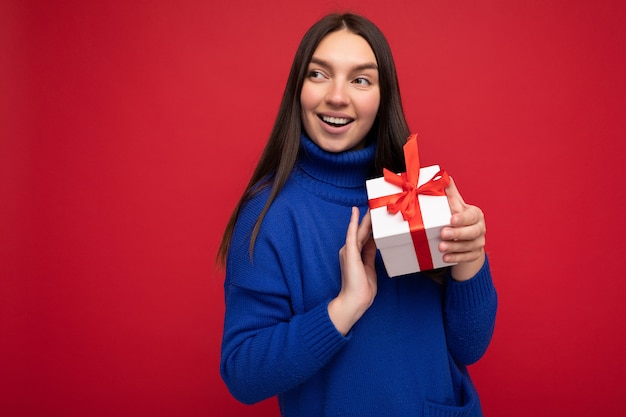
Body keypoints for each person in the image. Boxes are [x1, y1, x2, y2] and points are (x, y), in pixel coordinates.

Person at [217, 12, 497, 417]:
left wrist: (471, 260)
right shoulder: (270, 213)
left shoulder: (414, 194)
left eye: (360, 79)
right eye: (319, 74)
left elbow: (469, 346)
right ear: (298, 88)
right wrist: (344, 307)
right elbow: (243, 374)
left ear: (383, 96)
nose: (337, 96)